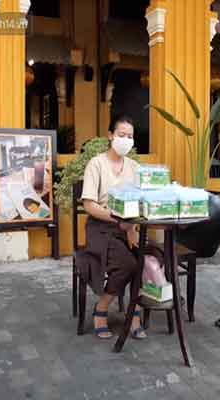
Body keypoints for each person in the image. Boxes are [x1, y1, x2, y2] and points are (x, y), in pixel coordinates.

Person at [80, 114, 147, 340]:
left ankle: (134, 313)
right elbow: (89, 205)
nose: (126, 140)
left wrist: (131, 229)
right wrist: (118, 220)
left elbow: (139, 203)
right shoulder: (96, 164)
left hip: (128, 227)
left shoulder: (135, 167)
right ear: (110, 135)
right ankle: (102, 307)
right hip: (101, 228)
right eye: (121, 135)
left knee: (145, 259)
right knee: (127, 264)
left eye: (130, 136)